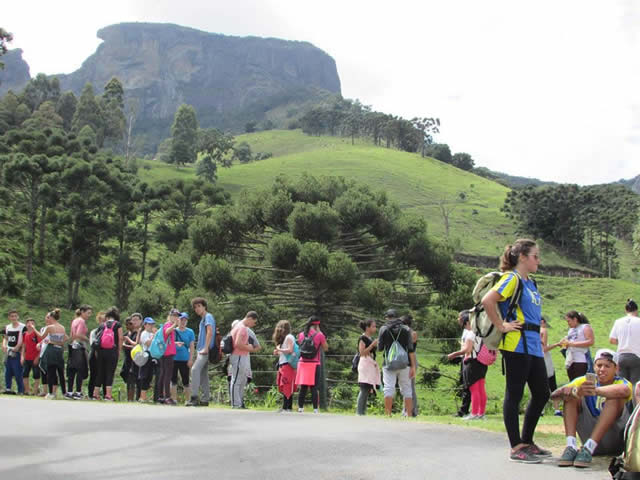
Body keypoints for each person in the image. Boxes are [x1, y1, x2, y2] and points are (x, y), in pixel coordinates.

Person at [481, 239, 550, 463]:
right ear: (522, 257)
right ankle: (516, 446)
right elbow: (488, 300)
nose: (538, 261)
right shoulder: (512, 279)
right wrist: (502, 326)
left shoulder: (531, 283)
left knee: (542, 392)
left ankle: (527, 441)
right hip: (515, 344)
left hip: (533, 345)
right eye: (535, 256)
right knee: (515, 393)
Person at [552, 349, 633, 468]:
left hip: (615, 439)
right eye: (599, 365)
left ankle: (590, 447)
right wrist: (572, 392)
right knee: (571, 397)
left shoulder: (622, 382)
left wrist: (595, 391)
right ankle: (571, 446)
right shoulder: (584, 381)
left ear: (616, 369)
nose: (602, 369)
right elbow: (554, 396)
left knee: (614, 397)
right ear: (594, 367)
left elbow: (624, 390)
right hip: (588, 432)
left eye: (607, 366)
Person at [447, 310, 487, 420]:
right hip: (482, 362)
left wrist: (454, 354)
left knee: (474, 389)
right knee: (481, 389)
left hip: (471, 362)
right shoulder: (481, 332)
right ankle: (481, 413)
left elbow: (467, 349)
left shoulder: (470, 333)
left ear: (467, 322)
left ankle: (474, 413)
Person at [377, 309, 416, 417]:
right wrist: (413, 366)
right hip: (405, 364)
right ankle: (409, 414)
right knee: (407, 388)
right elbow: (411, 349)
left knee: (389, 387)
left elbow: (380, 348)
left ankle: (388, 414)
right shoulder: (406, 329)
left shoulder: (383, 329)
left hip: (389, 364)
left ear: (387, 317)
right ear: (397, 317)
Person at [296, 316, 329, 413]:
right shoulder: (319, 335)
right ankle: (315, 409)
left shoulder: (301, 334)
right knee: (314, 387)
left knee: (303, 387)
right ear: (317, 325)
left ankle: (300, 408)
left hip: (302, 363)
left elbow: (300, 346)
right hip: (314, 363)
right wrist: (320, 333)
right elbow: (325, 347)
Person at [186, 297, 215, 407]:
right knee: (203, 375)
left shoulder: (208, 317)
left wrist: (206, 347)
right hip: (201, 350)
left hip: (205, 350)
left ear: (204, 306)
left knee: (194, 369)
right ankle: (205, 399)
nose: (197, 309)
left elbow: (209, 332)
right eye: (195, 307)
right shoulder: (203, 319)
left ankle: (194, 398)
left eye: (199, 306)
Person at [92, 306, 123, 401]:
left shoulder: (102, 325)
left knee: (100, 372)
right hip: (112, 351)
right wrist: (119, 351)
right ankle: (108, 395)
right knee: (110, 372)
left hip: (101, 351)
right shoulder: (117, 324)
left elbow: (97, 339)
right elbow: (120, 338)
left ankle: (95, 394)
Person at [230, 311, 259, 409]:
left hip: (239, 356)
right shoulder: (242, 328)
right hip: (238, 356)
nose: (253, 325)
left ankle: (239, 402)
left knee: (241, 380)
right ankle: (236, 403)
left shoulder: (238, 325)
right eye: (254, 322)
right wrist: (249, 348)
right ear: (250, 318)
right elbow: (237, 344)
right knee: (237, 380)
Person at [610, 299, 640, 394]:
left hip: (621, 356)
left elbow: (612, 340)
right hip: (636, 356)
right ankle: (634, 407)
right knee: (635, 386)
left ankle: (624, 408)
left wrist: (623, 341)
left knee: (622, 385)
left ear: (626, 310)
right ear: (636, 310)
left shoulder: (618, 321)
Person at [40, 309, 68, 399]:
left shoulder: (50, 327)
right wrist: (58, 342)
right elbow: (65, 338)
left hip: (51, 349)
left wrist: (33, 329)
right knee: (61, 372)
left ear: (52, 317)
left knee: (51, 371)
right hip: (59, 349)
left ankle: (51, 393)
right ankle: (64, 392)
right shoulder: (62, 327)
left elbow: (41, 337)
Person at [65, 304, 91, 400]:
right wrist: (88, 339)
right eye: (88, 313)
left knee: (72, 370)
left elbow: (72, 334)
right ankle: (78, 392)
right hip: (79, 347)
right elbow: (79, 334)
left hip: (72, 346)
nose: (89, 315)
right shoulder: (81, 321)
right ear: (82, 312)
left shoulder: (74, 320)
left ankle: (70, 391)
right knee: (80, 370)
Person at [356, 318, 380, 416]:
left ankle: (363, 412)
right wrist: (372, 346)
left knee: (367, 388)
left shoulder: (370, 338)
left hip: (370, 365)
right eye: (373, 326)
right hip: (365, 364)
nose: (375, 328)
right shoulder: (362, 338)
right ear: (367, 327)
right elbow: (361, 353)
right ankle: (359, 412)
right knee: (364, 388)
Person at [561, 311, 595, 381]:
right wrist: (563, 344)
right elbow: (568, 343)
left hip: (581, 360)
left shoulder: (585, 327)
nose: (568, 323)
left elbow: (590, 341)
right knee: (572, 382)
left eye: (569, 321)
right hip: (570, 360)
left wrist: (571, 343)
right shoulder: (570, 330)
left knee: (581, 382)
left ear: (575, 319)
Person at [273, 320, 297, 412]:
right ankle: (285, 406)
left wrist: (280, 349)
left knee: (287, 384)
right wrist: (278, 352)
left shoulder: (289, 337)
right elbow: (286, 352)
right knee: (283, 385)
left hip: (288, 365)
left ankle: (287, 407)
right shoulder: (284, 339)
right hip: (283, 364)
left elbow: (290, 350)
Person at [171, 312, 195, 403]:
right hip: (174, 358)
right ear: (178, 320)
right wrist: (176, 343)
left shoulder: (190, 332)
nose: (183, 322)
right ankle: (174, 399)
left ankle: (188, 400)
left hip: (185, 359)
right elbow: (168, 343)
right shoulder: (173, 330)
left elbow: (192, 346)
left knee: (186, 380)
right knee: (173, 379)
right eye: (181, 319)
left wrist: (190, 359)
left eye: (185, 320)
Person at [540, 316, 561, 416]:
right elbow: (544, 348)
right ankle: (556, 409)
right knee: (552, 384)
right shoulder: (543, 330)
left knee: (538, 384)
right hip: (545, 359)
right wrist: (557, 344)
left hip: (536, 358)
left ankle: (541, 409)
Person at [3, 309, 26, 394]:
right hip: (9, 351)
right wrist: (4, 345)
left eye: (15, 316)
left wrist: (18, 348)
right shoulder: (7, 327)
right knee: (7, 371)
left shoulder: (22, 327)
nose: (14, 318)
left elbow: (24, 341)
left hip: (18, 352)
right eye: (12, 316)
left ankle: (21, 390)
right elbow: (5, 338)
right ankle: (8, 388)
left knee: (18, 372)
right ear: (9, 317)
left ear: (18, 316)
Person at [454, 310, 472, 417]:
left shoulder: (469, 331)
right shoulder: (465, 330)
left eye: (459, 317)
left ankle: (464, 409)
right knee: (464, 384)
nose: (458, 320)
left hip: (468, 358)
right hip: (464, 358)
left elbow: (467, 347)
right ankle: (465, 408)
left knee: (467, 385)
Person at [401, 314, 419, 417]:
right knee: (406, 386)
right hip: (407, 359)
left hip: (411, 359)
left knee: (410, 386)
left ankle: (412, 410)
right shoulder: (410, 333)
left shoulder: (411, 333)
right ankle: (407, 409)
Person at [138, 317, 157, 403]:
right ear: (145, 325)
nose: (151, 326)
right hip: (146, 355)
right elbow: (148, 343)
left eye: (152, 324)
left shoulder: (152, 334)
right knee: (144, 376)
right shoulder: (144, 333)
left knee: (150, 376)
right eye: (149, 324)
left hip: (153, 355)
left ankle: (146, 396)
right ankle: (142, 397)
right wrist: (154, 336)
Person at [87, 311, 106, 399]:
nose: (104, 322)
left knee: (105, 375)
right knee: (94, 375)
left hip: (105, 356)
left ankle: (105, 394)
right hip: (94, 355)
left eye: (105, 320)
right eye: (102, 320)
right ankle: (91, 394)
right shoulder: (94, 332)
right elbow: (93, 344)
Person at [21, 318, 42, 396]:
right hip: (27, 357)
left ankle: (35, 391)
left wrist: (37, 357)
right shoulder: (25, 334)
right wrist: (22, 356)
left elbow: (41, 346)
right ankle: (27, 390)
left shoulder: (37, 334)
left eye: (32, 323)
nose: (30, 325)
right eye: (28, 323)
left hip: (35, 357)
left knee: (36, 375)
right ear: (26, 325)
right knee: (25, 374)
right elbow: (24, 346)